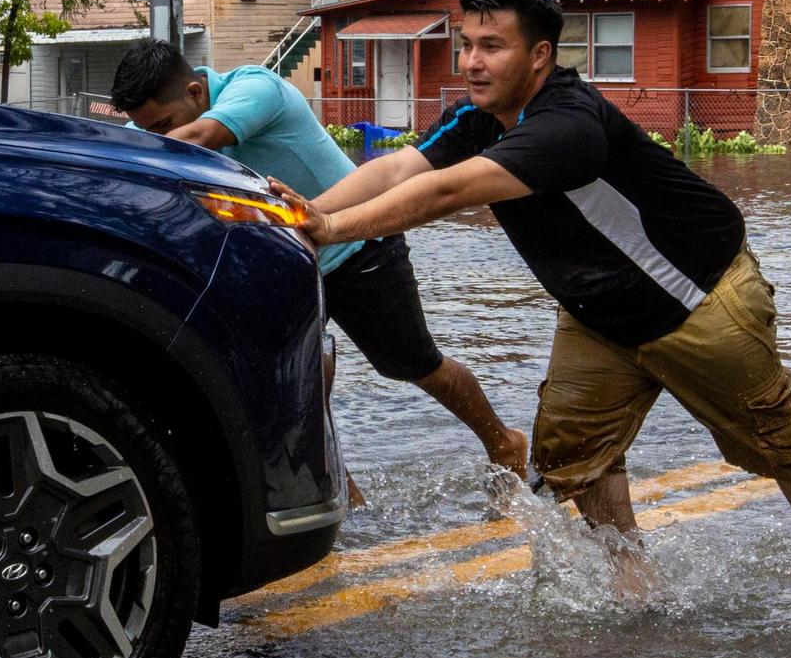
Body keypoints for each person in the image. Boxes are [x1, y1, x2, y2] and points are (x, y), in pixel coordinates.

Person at [271, 0, 791, 606]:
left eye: (491, 47)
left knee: (779, 438)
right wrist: (299, 222)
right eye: (466, 44)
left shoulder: (568, 124)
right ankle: (636, 582)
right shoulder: (476, 118)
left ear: (540, 55)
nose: (471, 61)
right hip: (596, 313)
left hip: (697, 298)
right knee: (577, 456)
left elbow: (444, 192)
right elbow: (397, 167)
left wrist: (329, 228)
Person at [110, 40, 528, 499]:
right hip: (286, 261)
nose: (154, 135)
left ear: (194, 93)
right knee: (300, 384)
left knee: (413, 365)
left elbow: (198, 140)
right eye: (147, 127)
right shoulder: (159, 124)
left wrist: (131, 154)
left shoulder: (255, 87)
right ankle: (342, 493)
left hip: (356, 246)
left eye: (163, 125)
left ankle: (504, 442)